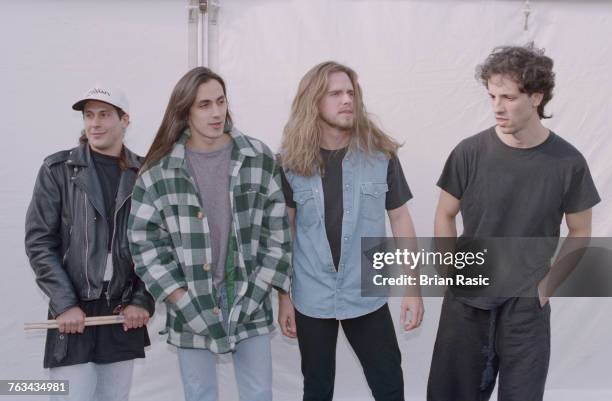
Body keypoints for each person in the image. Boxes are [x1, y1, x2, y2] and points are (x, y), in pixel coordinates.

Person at [427, 44, 600, 401]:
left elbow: (581, 229)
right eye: (492, 95)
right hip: (467, 302)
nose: (497, 106)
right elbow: (445, 213)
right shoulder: (469, 152)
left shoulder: (568, 162)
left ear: (536, 97)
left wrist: (546, 287)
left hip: (525, 309)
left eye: (507, 97)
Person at [128, 67, 291, 401]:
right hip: (190, 303)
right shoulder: (158, 170)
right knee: (200, 394)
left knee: (259, 394)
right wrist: (180, 298)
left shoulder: (258, 158)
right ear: (184, 110)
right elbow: (144, 244)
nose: (216, 112)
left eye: (220, 101)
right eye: (204, 105)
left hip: (250, 296)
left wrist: (261, 289)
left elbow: (278, 232)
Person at [278, 61, 424, 401]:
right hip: (310, 292)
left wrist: (413, 289)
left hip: (366, 290)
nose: (347, 100)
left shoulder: (381, 156)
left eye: (351, 92)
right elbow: (285, 231)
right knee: (317, 388)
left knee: (389, 383)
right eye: (335, 93)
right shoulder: (287, 163)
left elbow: (401, 220)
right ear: (313, 101)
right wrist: (283, 296)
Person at [25, 85, 154, 401]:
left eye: (105, 115)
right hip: (74, 311)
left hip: (122, 312)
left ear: (125, 120)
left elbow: (158, 244)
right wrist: (65, 303)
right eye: (88, 115)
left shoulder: (147, 173)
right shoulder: (57, 170)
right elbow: (40, 242)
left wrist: (141, 300)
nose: (94, 123)